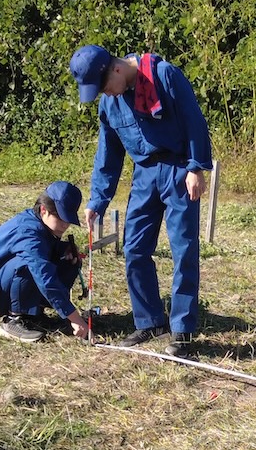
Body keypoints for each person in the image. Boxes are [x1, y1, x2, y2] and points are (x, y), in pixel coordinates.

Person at [69, 44, 213, 359]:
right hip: (144, 176)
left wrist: (196, 168)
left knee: (183, 250)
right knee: (134, 249)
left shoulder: (164, 75)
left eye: (105, 87)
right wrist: (98, 199)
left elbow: (194, 120)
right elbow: (108, 154)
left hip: (178, 169)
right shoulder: (109, 104)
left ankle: (183, 331)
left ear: (116, 68)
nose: (106, 94)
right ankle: (150, 321)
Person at [0, 180, 90, 343]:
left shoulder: (43, 226)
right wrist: (75, 318)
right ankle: (13, 321)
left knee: (68, 260)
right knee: (29, 264)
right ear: (43, 210)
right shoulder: (27, 231)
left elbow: (45, 250)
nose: (65, 225)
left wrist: (63, 249)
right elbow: (44, 277)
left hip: (2, 285)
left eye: (68, 219)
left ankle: (33, 314)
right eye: (60, 217)